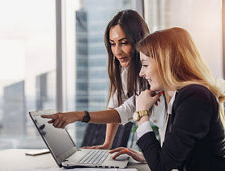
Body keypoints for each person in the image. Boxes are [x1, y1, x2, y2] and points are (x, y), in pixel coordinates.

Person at [42, 10, 167, 162]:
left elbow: (122, 112)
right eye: (112, 44)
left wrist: (78, 115)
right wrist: (107, 143)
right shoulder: (125, 70)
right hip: (168, 152)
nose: (117, 51)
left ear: (138, 41)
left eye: (124, 42)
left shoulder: (153, 76)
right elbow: (115, 105)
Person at [130, 27, 225, 170]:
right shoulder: (183, 95)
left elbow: (162, 167)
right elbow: (173, 157)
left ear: (166, 62)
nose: (141, 73)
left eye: (145, 65)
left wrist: (142, 113)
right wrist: (150, 155)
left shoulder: (195, 97)